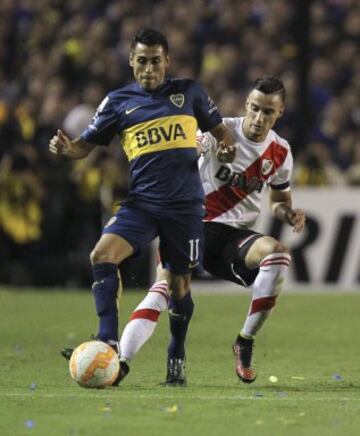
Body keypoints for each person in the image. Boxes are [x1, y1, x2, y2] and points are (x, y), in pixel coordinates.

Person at [49, 28, 235, 386]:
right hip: (143, 203)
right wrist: (65, 149)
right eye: (141, 61)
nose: (149, 68)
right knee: (102, 254)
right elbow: (84, 146)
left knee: (179, 288)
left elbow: (221, 133)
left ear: (166, 61)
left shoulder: (190, 92)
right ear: (131, 61)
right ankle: (108, 339)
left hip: (184, 207)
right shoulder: (117, 102)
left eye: (155, 60)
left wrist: (224, 147)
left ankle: (176, 353)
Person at [118, 76, 306, 385]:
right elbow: (183, 153)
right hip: (192, 226)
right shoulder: (220, 131)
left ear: (280, 112)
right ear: (247, 105)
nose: (259, 118)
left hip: (232, 240)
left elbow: (278, 201)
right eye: (255, 109)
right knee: (164, 291)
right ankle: (121, 362)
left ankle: (244, 341)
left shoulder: (281, 152)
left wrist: (289, 213)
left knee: (278, 256)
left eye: (268, 112)